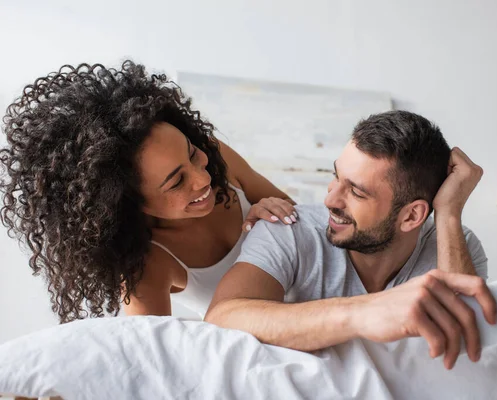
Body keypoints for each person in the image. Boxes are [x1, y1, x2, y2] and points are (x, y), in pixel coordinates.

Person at [0, 61, 298, 322]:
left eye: (192, 153)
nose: (202, 178)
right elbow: (154, 358)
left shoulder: (216, 154)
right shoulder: (146, 267)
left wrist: (272, 212)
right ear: (129, 205)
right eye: (176, 182)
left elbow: (293, 212)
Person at [205, 110, 497, 370]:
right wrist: (361, 313)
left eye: (356, 192)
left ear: (411, 217)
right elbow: (220, 319)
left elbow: (465, 349)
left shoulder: (454, 242)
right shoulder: (288, 228)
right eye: (336, 177)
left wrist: (448, 215)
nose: (330, 199)